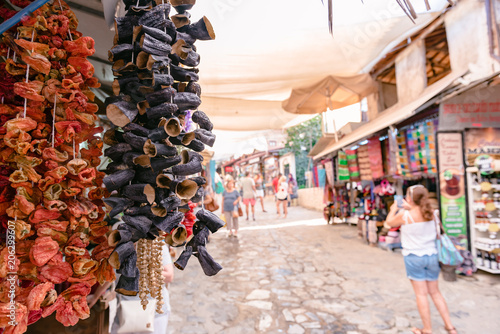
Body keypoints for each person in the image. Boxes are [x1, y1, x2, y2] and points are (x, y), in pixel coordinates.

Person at [386, 185, 457, 334]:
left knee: (421, 294)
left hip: (413, 258)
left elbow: (389, 223)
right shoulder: (433, 213)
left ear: (410, 198)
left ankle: (427, 329)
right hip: (431, 256)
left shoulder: (405, 216)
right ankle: (450, 327)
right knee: (435, 293)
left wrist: (395, 208)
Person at [111, 242, 174, 334]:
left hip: (154, 312)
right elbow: (110, 275)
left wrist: (146, 270)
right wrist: (96, 295)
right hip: (125, 310)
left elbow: (169, 276)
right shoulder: (119, 248)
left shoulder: (158, 246)